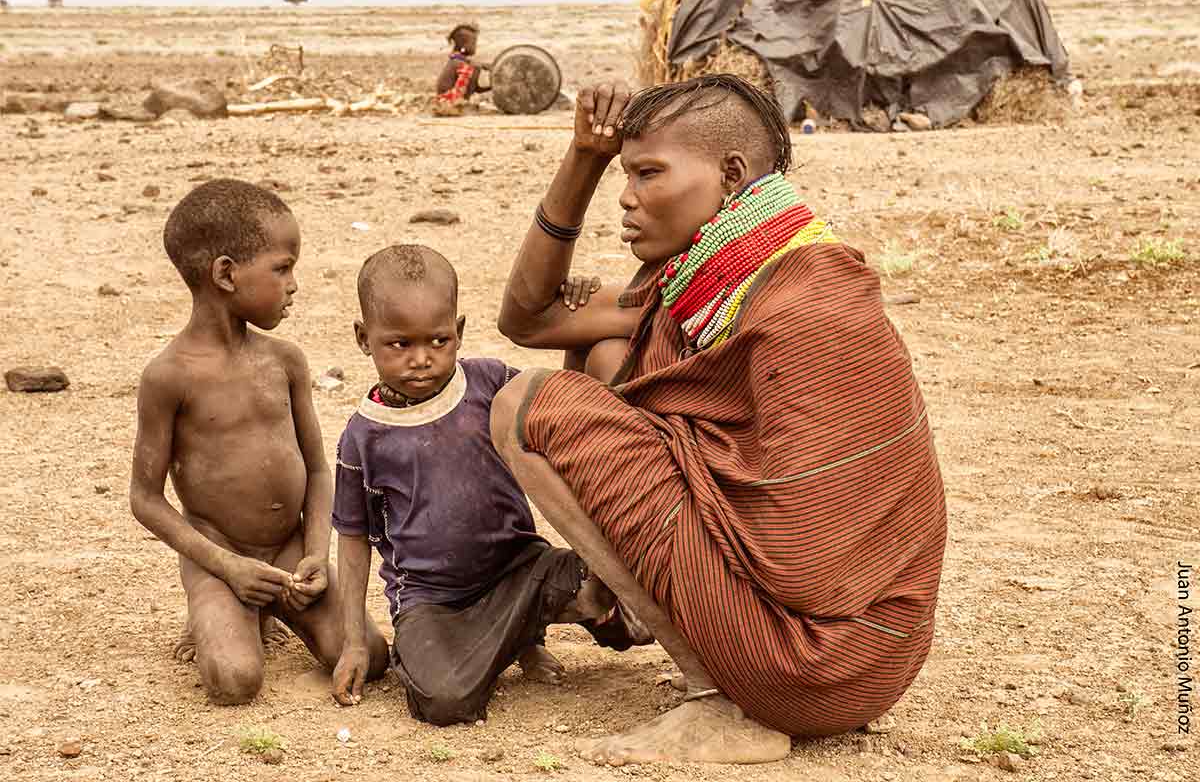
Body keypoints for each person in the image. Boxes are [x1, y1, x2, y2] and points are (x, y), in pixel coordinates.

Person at [490, 75, 948, 765]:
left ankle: (716, 700)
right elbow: (530, 318)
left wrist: (661, 446)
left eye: (648, 174)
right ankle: (683, 648)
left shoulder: (809, 307)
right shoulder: (712, 285)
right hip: (841, 658)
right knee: (605, 353)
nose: (627, 196)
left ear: (731, 174)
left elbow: (805, 562)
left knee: (520, 405)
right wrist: (582, 157)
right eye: (622, 174)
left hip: (816, 662)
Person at [329, 244, 642, 726]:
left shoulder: (489, 384)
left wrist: (575, 332)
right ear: (362, 338)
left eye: (437, 341)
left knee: (616, 577)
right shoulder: (363, 436)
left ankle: (537, 629)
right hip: (434, 602)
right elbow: (352, 541)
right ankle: (518, 639)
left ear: (459, 333)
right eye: (399, 344)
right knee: (443, 702)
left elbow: (562, 410)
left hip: (522, 571)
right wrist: (353, 639)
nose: (421, 360)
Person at [129, 179, 389, 705]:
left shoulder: (284, 361)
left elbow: (319, 470)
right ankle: (222, 610)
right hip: (219, 554)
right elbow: (145, 498)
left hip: (290, 551)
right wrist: (227, 567)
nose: (294, 284)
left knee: (373, 655)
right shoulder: (169, 377)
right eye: (282, 267)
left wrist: (316, 552)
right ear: (226, 273)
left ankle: (266, 610)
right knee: (234, 681)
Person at [436, 23, 491, 104]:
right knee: (474, 68)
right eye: (473, 44)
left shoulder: (456, 61)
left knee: (476, 67)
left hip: (446, 99)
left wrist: (491, 87)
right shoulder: (461, 65)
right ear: (463, 46)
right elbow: (459, 92)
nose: (475, 47)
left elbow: (475, 89)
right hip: (448, 101)